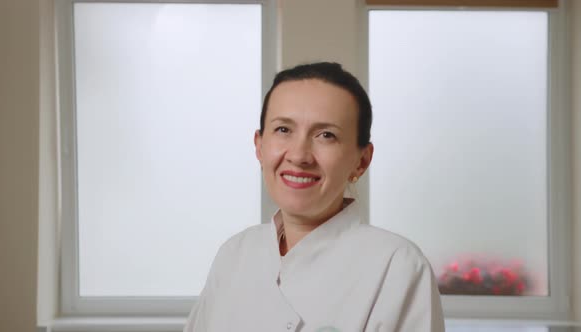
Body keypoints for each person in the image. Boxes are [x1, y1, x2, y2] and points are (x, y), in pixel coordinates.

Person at [183, 62, 445, 332]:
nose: (299, 156)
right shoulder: (235, 254)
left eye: (326, 135)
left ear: (361, 161)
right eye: (283, 129)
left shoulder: (397, 266)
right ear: (259, 146)